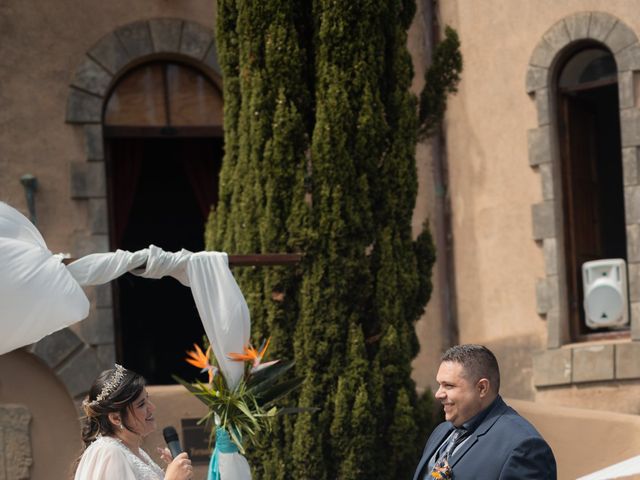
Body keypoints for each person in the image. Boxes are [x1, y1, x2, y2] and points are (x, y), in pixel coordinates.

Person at [413, 344, 556, 480]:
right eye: (439, 385)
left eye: (448, 386)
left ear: (482, 388)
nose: (438, 394)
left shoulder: (524, 447)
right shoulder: (441, 431)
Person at [73, 364, 193, 480]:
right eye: (141, 404)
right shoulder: (109, 452)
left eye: (147, 399)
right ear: (116, 418)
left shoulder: (136, 453)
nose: (152, 407)